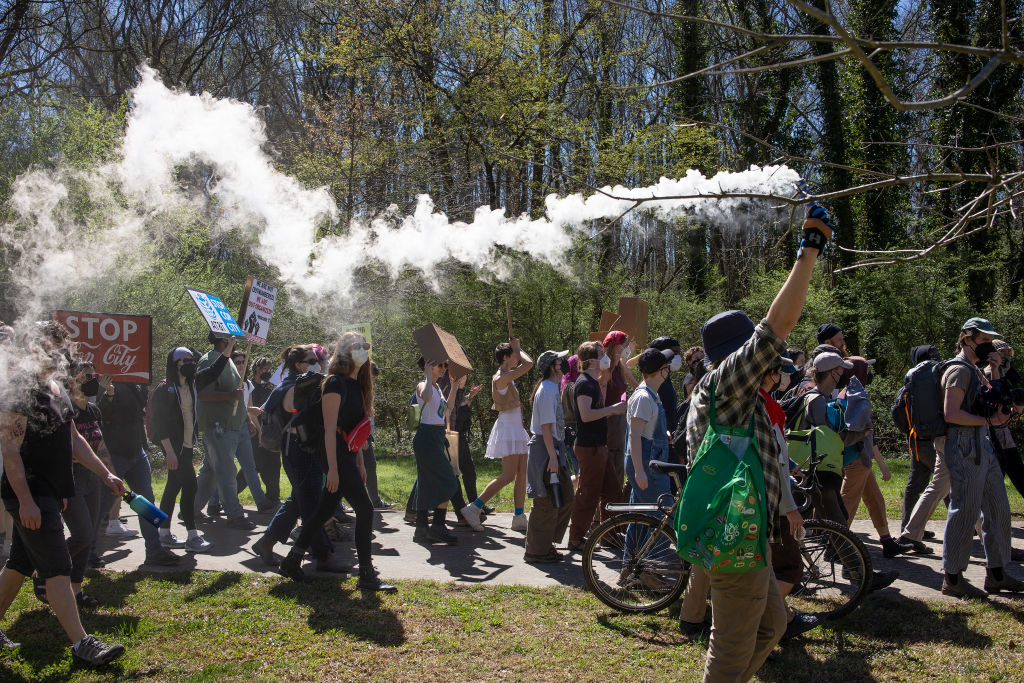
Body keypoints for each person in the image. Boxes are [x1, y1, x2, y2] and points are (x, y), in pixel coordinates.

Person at [680, 195, 829, 682]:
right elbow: (777, 326)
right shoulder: (728, 383)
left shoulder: (738, 398)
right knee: (731, 647)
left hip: (750, 536)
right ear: (740, 354)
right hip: (734, 536)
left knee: (773, 624)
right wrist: (809, 247)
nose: (775, 367)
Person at [0, 322, 127, 664]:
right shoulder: (20, 388)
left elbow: (73, 440)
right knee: (57, 566)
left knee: (19, 565)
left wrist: (105, 473)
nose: (60, 354)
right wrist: (26, 501)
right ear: (34, 347)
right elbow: (10, 451)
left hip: (50, 492)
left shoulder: (57, 388)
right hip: (29, 492)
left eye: (61, 346)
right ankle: (82, 644)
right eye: (52, 347)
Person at [280, 333, 396, 592]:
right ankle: (366, 574)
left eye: (366, 346)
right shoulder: (334, 383)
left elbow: (356, 431)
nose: (364, 350)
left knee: (323, 511)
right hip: (332, 455)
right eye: (357, 346)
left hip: (347, 455)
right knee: (365, 510)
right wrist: (332, 469)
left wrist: (361, 463)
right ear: (344, 352)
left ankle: (292, 561)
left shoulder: (360, 385)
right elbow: (330, 429)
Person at [939, 318, 1023, 597]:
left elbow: (995, 398)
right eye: (983, 340)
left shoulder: (976, 370)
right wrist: (987, 422)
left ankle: (997, 575)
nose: (988, 345)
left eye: (990, 340)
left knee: (999, 508)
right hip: (964, 445)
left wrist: (996, 368)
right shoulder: (958, 371)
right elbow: (951, 414)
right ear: (967, 339)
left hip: (982, 444)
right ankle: (952, 579)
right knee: (965, 511)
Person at [252, 346, 344, 572]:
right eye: (312, 360)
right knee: (311, 503)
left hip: (300, 448)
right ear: (298, 364)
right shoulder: (295, 388)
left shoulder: (292, 385)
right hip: (300, 449)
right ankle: (323, 554)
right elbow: (308, 419)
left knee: (297, 501)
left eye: (317, 360)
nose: (318, 363)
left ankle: (265, 543)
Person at [97, 355, 180, 566]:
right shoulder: (108, 382)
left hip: (136, 452)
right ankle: (87, 554)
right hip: (114, 453)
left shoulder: (139, 383)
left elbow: (139, 417)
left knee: (146, 502)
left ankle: (154, 550)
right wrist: (108, 393)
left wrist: (145, 448)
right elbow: (102, 414)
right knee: (103, 505)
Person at [837, 357, 915, 558]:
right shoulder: (854, 395)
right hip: (855, 459)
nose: (869, 374)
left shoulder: (851, 393)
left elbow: (869, 434)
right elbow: (863, 432)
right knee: (848, 503)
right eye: (866, 369)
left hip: (861, 459)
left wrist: (880, 465)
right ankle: (835, 545)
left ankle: (887, 541)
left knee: (875, 500)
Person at [149, 346, 222, 553]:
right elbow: (159, 423)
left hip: (187, 446)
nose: (190, 363)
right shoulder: (164, 390)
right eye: (185, 360)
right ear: (175, 364)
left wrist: (227, 351)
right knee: (190, 487)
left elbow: (213, 371)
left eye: (192, 360)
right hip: (174, 448)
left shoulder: (192, 384)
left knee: (172, 488)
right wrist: (170, 452)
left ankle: (163, 534)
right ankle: (192, 536)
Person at [462, 338, 533, 532]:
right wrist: (518, 347)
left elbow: (525, 363)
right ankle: (474, 507)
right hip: (508, 429)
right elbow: (529, 363)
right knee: (508, 475)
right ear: (505, 357)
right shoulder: (500, 378)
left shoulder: (507, 376)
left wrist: (516, 348)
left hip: (516, 429)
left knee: (521, 475)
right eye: (514, 354)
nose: (517, 357)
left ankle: (519, 516)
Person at [201, 345, 275, 521]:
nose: (241, 364)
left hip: (241, 427)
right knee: (221, 468)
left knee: (250, 466)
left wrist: (252, 424)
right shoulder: (226, 381)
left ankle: (261, 501)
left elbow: (244, 406)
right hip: (224, 427)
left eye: (243, 361)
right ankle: (213, 502)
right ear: (231, 364)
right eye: (237, 361)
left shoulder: (247, 383)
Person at [566, 341, 626, 552]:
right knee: (587, 494)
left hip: (600, 446)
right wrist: (613, 409)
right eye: (602, 354)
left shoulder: (593, 381)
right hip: (589, 447)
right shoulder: (584, 383)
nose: (605, 357)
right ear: (591, 360)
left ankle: (607, 535)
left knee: (612, 491)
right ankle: (575, 539)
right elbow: (585, 415)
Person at [523, 350, 575, 563]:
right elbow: (545, 427)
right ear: (553, 367)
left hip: (554, 447)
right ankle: (535, 552)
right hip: (546, 449)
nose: (563, 363)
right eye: (560, 360)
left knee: (564, 497)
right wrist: (552, 458)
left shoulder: (554, 387)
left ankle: (547, 543)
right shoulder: (546, 390)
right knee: (545, 500)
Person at [412, 357, 460, 544]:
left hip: (436, 436)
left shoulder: (438, 388)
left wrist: (454, 387)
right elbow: (424, 396)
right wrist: (426, 373)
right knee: (449, 480)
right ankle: (438, 526)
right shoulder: (423, 385)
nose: (444, 368)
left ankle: (421, 529)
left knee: (425, 484)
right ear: (429, 366)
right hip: (427, 437)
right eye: (440, 365)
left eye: (445, 365)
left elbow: (446, 410)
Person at [899, 344, 942, 535]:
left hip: (916, 440)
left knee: (915, 486)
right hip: (933, 440)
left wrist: (909, 430)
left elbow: (897, 410)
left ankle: (909, 527)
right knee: (945, 484)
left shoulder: (912, 381)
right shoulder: (934, 379)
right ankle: (961, 526)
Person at [625, 348, 675, 507]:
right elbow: (634, 435)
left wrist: (662, 433)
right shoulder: (644, 398)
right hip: (647, 467)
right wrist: (639, 471)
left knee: (639, 518)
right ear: (662, 371)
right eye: (667, 366)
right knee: (663, 513)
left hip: (650, 464)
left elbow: (647, 428)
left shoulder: (652, 394)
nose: (669, 370)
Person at [236, 356, 282, 506]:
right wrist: (259, 430)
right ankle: (229, 495)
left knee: (274, 464)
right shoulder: (250, 386)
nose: (268, 372)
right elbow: (250, 410)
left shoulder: (268, 388)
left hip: (269, 431)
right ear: (257, 369)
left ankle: (273, 497)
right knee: (255, 464)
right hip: (255, 432)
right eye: (265, 369)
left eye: (270, 369)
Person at [601, 330, 638, 496]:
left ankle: (614, 508)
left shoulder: (620, 366)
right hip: (607, 423)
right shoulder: (605, 368)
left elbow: (635, 384)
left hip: (619, 423)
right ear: (616, 346)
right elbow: (600, 400)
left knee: (617, 468)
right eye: (624, 345)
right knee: (606, 468)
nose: (626, 348)